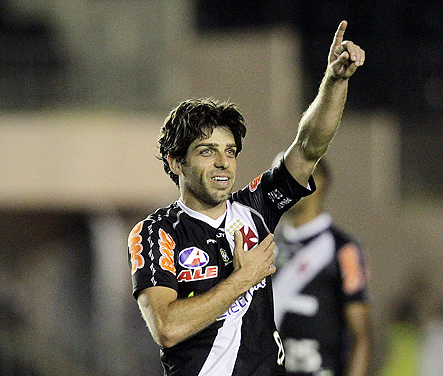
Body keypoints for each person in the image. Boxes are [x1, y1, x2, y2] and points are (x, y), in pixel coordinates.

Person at [127, 20, 365, 376]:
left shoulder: (254, 210)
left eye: (230, 151)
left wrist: (334, 81)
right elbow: (167, 328)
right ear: (176, 162)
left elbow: (308, 146)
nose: (223, 162)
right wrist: (243, 279)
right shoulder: (156, 233)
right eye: (207, 151)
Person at [272, 158, 371, 376]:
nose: (279, 186)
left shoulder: (344, 250)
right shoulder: (267, 246)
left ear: (318, 182)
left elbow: (361, 337)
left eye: (288, 177)